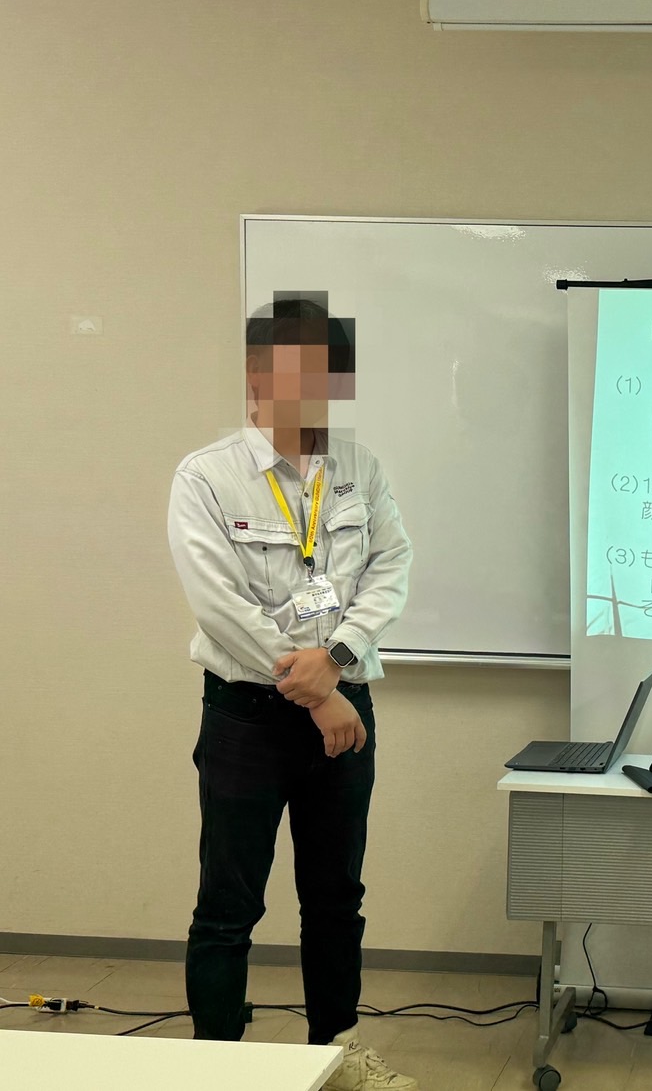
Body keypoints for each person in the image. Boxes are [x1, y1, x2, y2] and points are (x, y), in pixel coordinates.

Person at [167, 295, 417, 1090]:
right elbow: (219, 605)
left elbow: (391, 566)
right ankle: (215, 1070)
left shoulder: (359, 468)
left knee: (336, 897)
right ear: (255, 373)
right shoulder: (207, 476)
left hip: (345, 708)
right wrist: (313, 688)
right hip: (247, 716)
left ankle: (335, 1059)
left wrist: (336, 660)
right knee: (228, 903)